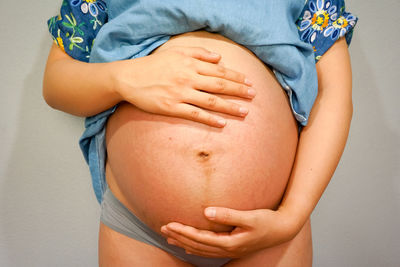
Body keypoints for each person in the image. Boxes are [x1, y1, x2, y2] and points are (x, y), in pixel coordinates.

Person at [43, 0, 357, 266]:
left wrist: (291, 217)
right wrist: (123, 78)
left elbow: (334, 94)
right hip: (139, 231)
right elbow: (56, 82)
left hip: (271, 230)